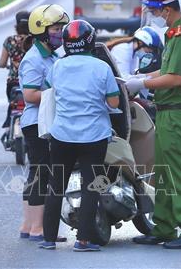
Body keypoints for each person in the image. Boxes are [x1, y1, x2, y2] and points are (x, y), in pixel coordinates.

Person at [126, 0, 181, 250]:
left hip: (178, 114)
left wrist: (144, 85)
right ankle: (164, 227)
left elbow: (176, 78)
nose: (152, 15)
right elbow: (167, 68)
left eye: (154, 11)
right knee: (162, 175)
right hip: (166, 113)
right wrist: (142, 78)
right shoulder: (173, 34)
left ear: (167, 10)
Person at [39, 20, 120, 252]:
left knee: (56, 186)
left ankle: (48, 239)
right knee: (90, 187)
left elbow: (48, 91)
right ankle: (83, 240)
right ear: (91, 41)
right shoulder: (101, 67)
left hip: (62, 135)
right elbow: (113, 101)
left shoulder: (57, 66)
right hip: (93, 136)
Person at [18, 4, 69, 242]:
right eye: (57, 28)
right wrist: (61, 95)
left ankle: (28, 225)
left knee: (37, 174)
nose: (61, 33)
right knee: (43, 174)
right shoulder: (34, 59)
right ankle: (39, 228)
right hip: (36, 123)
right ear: (42, 31)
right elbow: (29, 95)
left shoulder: (52, 55)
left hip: (44, 121)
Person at [0, 11, 31, 137]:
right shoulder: (33, 41)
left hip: (13, 82)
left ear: (16, 25)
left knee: (13, 105)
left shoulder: (9, 41)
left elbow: (2, 62)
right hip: (29, 82)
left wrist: (5, 66)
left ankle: (8, 127)